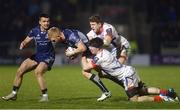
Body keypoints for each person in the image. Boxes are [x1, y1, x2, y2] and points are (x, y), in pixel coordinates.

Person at [81, 37, 179, 102]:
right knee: (143, 91)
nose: (90, 49)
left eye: (91, 47)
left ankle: (162, 98)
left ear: (98, 48)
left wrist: (83, 56)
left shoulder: (99, 58)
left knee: (134, 99)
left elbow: (86, 67)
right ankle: (169, 93)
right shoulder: (105, 52)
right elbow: (99, 67)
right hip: (129, 71)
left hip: (127, 76)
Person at [2, 13, 55, 102]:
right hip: (38, 55)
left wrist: (71, 50)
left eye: (48, 21)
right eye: (44, 21)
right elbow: (26, 40)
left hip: (48, 56)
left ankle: (45, 96)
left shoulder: (52, 31)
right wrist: (23, 44)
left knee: (38, 72)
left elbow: (61, 39)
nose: (46, 23)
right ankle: (14, 94)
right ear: (40, 22)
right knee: (19, 71)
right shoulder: (34, 31)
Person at [47, 27, 111, 101]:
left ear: (58, 36)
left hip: (91, 50)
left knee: (87, 72)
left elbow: (83, 48)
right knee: (103, 73)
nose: (54, 42)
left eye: (54, 40)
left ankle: (108, 90)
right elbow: (77, 48)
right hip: (88, 51)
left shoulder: (71, 36)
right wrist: (73, 55)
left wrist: (72, 52)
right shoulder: (64, 37)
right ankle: (119, 84)